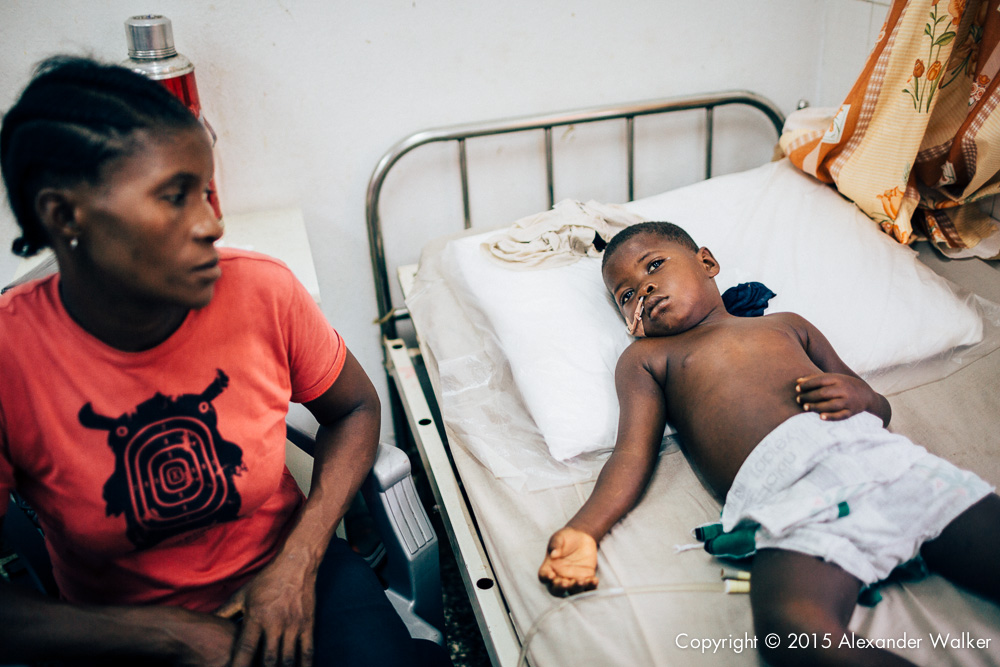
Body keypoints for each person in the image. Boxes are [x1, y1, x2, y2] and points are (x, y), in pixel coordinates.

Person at [0, 57, 450, 667]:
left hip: (291, 573)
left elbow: (356, 407)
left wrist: (300, 558)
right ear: (64, 215)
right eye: (175, 196)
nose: (212, 223)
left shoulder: (262, 292)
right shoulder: (12, 357)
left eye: (207, 192)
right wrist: (169, 636)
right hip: (117, 630)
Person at [537, 221, 1000, 666]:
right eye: (627, 295)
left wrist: (860, 395)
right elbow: (632, 454)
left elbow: (877, 407)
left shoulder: (785, 324)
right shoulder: (646, 358)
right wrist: (584, 530)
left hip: (884, 466)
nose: (644, 290)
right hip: (791, 505)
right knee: (790, 633)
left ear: (706, 262)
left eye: (654, 265)